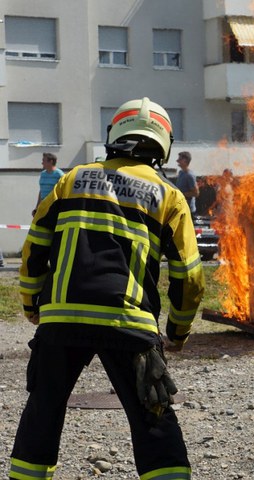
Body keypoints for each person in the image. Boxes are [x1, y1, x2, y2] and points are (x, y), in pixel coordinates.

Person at [9, 98, 205, 480]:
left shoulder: (71, 179)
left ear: (114, 135)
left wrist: (33, 304)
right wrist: (177, 332)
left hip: (61, 320)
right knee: (153, 416)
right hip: (129, 323)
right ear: (162, 143)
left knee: (43, 410)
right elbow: (190, 276)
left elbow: (35, 246)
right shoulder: (169, 197)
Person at [176, 151, 199, 216]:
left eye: (179, 159)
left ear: (185, 161)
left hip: (188, 211)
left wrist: (180, 194)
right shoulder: (181, 172)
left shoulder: (189, 175)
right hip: (181, 208)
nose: (177, 161)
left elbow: (196, 193)